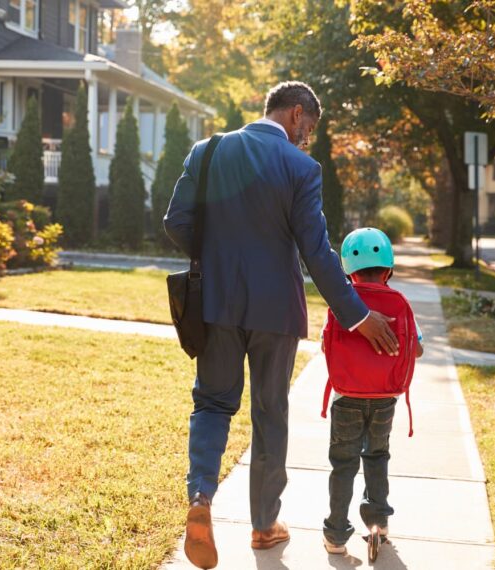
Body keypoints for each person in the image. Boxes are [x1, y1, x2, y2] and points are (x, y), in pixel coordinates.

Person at [163, 81, 399, 569]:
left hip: (215, 304)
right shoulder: (300, 168)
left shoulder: (206, 152)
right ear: (295, 115)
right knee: (270, 416)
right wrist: (356, 314)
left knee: (211, 402)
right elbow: (316, 251)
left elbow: (176, 222)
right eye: (308, 129)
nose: (307, 140)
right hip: (276, 312)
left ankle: (201, 499)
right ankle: (264, 525)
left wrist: (216, 258)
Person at [321, 228, 424, 556]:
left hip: (346, 396)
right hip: (384, 398)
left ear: (348, 271)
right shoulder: (399, 302)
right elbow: (416, 349)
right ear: (388, 269)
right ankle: (378, 524)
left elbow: (327, 344)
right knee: (377, 456)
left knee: (343, 462)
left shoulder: (343, 303)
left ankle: (336, 536)